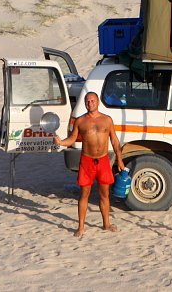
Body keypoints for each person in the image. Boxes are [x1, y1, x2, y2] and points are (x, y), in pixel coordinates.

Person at [53, 91, 125, 238]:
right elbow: (72, 139)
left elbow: (115, 140)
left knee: (104, 194)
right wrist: (61, 142)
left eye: (92, 101)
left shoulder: (107, 120)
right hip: (87, 161)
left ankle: (106, 223)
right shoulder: (80, 121)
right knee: (84, 194)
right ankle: (81, 227)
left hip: (103, 160)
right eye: (87, 101)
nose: (90, 103)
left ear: (98, 102)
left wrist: (120, 159)